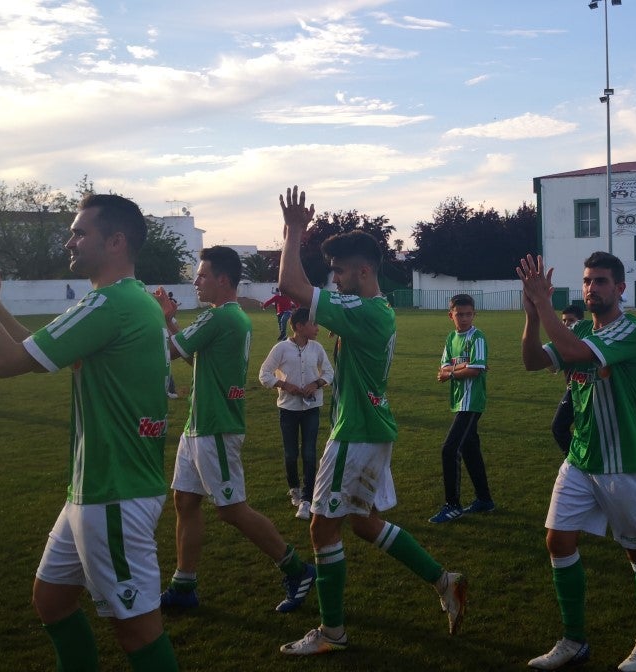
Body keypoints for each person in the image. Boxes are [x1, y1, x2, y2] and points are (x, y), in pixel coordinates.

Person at [0, 194, 178, 670]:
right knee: (52, 602)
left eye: (78, 232)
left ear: (115, 241)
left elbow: (5, 364)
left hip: (115, 491)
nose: (69, 240)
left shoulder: (109, 303)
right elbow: (29, 352)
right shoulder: (129, 299)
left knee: (138, 633)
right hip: (95, 490)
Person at [275, 185, 466, 656]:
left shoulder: (365, 311)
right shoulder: (376, 310)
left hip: (357, 433)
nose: (333, 278)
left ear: (363, 271)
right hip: (368, 428)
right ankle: (445, 581)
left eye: (339, 270)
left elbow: (291, 287)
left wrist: (295, 229)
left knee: (322, 528)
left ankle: (332, 633)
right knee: (362, 523)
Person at [518, 252, 636, 672]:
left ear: (620, 288)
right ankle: (573, 640)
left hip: (625, 465)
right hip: (580, 459)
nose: (591, 288)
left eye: (601, 281)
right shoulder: (578, 326)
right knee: (557, 541)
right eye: (587, 281)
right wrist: (532, 314)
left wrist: (544, 305)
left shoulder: (632, 331)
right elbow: (532, 361)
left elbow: (576, 352)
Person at [155, 246, 315, 614]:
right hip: (200, 424)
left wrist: (155, 320)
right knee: (185, 500)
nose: (196, 282)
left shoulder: (220, 317)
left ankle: (296, 568)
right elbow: (194, 352)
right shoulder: (228, 318)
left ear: (222, 280)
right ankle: (184, 586)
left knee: (231, 509)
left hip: (216, 427)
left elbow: (173, 350)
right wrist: (170, 319)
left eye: (202, 275)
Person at [259, 307, 333, 520]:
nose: (317, 328)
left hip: (311, 409)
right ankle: (295, 488)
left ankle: (308, 498)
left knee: (309, 453)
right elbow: (264, 374)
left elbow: (329, 373)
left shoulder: (317, 348)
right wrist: (283, 384)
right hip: (288, 409)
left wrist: (317, 383)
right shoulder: (281, 348)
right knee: (291, 453)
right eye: (313, 324)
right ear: (300, 327)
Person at [429, 293, 496, 523]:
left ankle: (452, 505)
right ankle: (485, 499)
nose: (465, 318)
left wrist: (452, 373)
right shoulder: (451, 339)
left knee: (449, 449)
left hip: (472, 402)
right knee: (470, 449)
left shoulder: (477, 337)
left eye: (469, 314)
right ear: (451, 315)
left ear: (474, 314)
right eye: (460, 314)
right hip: (459, 401)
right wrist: (460, 368)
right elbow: (443, 367)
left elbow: (475, 370)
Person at [550, 304, 584, 456]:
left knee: (559, 426)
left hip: (585, 389)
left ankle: (573, 459)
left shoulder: (586, 341)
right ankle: (574, 459)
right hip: (573, 389)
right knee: (560, 427)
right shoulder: (563, 341)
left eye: (570, 320)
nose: (566, 324)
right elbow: (551, 368)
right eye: (563, 321)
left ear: (581, 322)